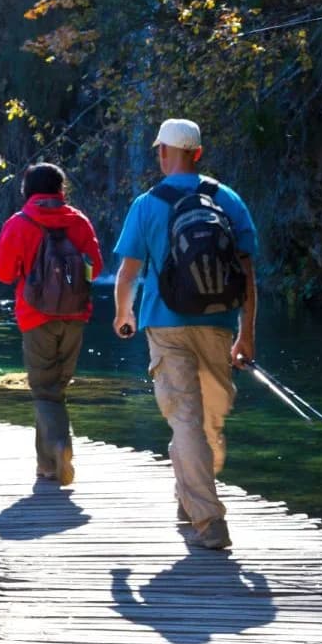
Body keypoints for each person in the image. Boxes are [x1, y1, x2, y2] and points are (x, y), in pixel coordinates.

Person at [112, 118, 259, 551]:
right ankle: (190, 496)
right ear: (198, 153)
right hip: (217, 324)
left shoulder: (147, 203)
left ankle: (209, 520)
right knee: (208, 416)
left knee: (186, 421)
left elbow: (128, 272)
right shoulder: (228, 199)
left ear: (163, 153)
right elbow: (249, 276)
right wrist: (245, 334)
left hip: (166, 324)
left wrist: (124, 314)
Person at [0, 162, 103, 486]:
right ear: (60, 190)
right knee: (56, 389)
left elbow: (2, 272)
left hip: (36, 317)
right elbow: (97, 264)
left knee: (44, 390)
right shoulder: (78, 221)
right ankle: (48, 466)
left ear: (27, 190)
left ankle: (58, 449)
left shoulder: (20, 223)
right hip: (76, 316)